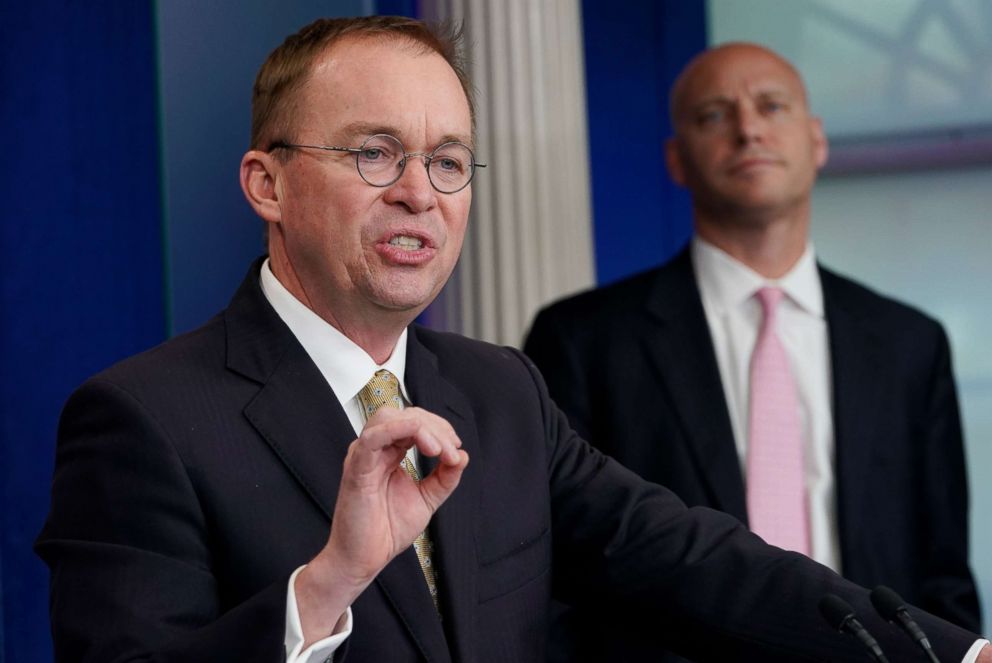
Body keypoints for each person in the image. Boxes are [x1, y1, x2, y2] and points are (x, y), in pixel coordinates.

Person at [37, 18, 988, 663]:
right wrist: (325, 587)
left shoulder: (501, 393)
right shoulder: (143, 418)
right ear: (266, 184)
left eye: (448, 161)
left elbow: (697, 561)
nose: (420, 191)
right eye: (375, 153)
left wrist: (955, 653)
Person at [524, 42, 982, 660]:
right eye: (714, 114)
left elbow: (943, 574)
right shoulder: (582, 338)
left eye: (772, 106)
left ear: (817, 141)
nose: (748, 129)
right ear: (675, 159)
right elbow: (557, 572)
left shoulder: (909, 343)